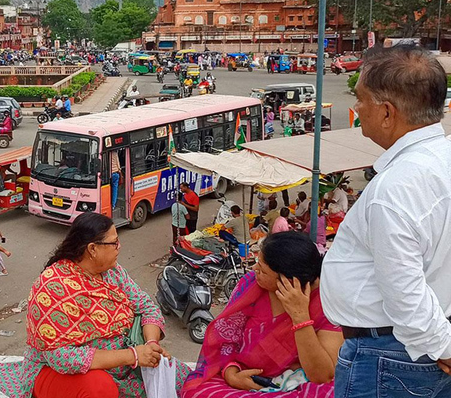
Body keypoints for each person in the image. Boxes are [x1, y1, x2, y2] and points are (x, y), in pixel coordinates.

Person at [321, 47, 451, 397]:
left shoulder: (395, 188)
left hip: (391, 355)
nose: (357, 109)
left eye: (361, 100)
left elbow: (404, 291)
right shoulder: (442, 158)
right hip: (416, 344)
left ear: (387, 112)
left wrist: (444, 347)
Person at [0, 212, 191, 398]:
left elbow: (146, 306)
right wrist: (133, 355)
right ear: (92, 249)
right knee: (100, 389)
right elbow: (61, 357)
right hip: (60, 371)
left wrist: (151, 344)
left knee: (185, 381)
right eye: (114, 243)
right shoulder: (52, 287)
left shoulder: (113, 272)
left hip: (123, 365)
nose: (120, 248)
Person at [181, 231, 342, 398]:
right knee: (196, 391)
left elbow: (322, 376)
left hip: (295, 386)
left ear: (287, 280)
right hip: (240, 376)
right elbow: (225, 339)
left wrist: (300, 317)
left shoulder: (329, 303)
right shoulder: (250, 285)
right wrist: (231, 372)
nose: (254, 269)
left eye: (263, 269)